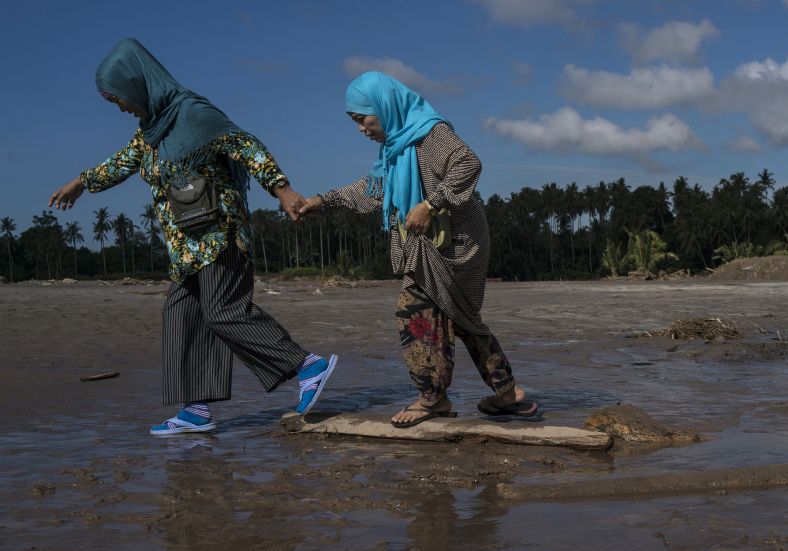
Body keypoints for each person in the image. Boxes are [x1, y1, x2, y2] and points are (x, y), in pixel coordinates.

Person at [47, 38, 337, 436]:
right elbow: (121, 163)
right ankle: (195, 409)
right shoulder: (150, 131)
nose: (121, 107)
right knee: (182, 315)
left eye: (120, 98)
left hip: (220, 235)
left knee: (224, 311)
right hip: (186, 246)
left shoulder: (193, 113)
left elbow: (247, 146)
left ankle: (308, 366)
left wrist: (282, 189)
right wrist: (80, 182)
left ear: (138, 84)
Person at [299, 72, 536, 428]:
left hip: (456, 243)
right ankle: (507, 395)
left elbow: (468, 164)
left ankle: (432, 398)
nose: (361, 129)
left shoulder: (429, 134)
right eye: (355, 122)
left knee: (413, 312)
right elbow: (372, 189)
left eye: (363, 119)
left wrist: (430, 203)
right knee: (461, 318)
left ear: (384, 106)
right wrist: (325, 201)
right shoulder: (395, 149)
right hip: (433, 244)